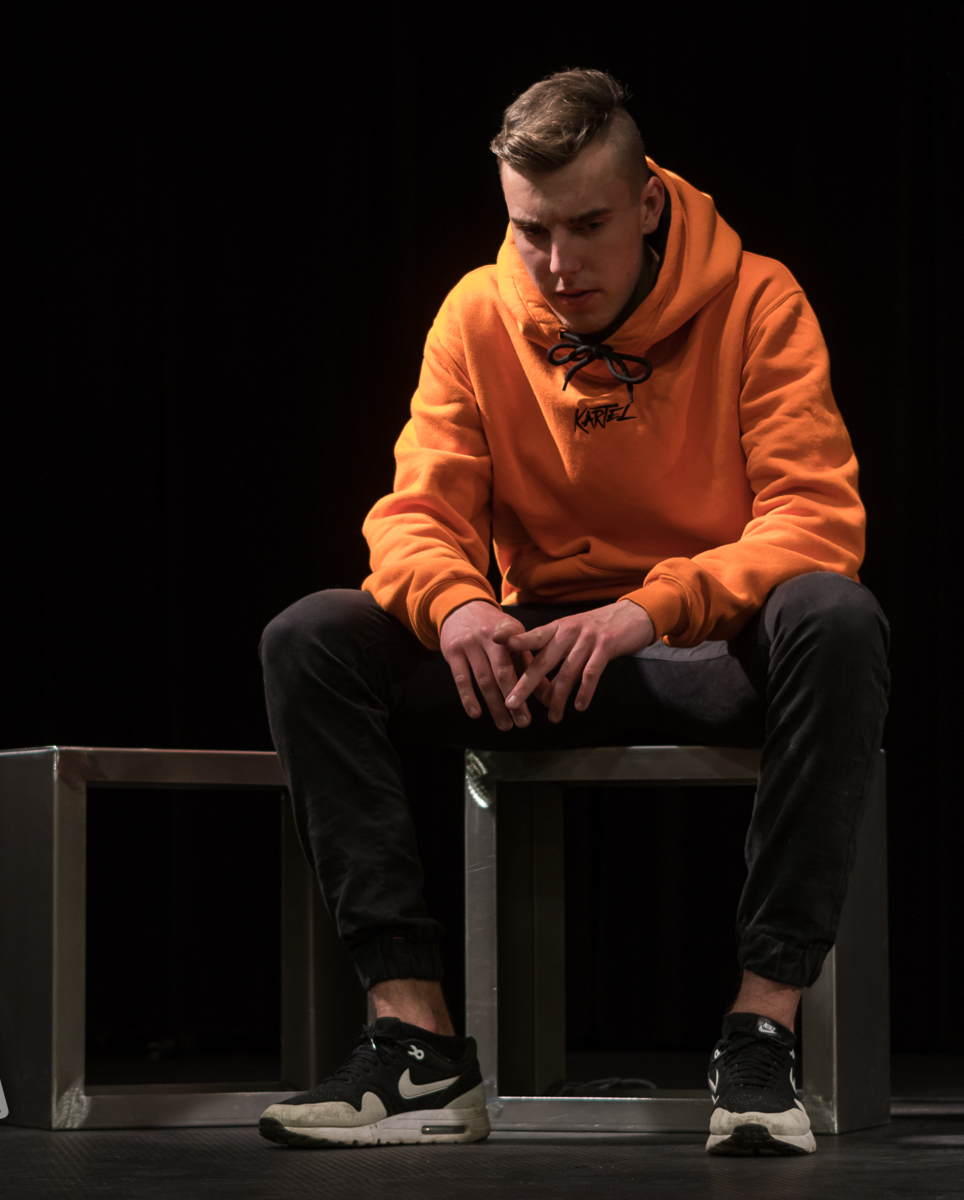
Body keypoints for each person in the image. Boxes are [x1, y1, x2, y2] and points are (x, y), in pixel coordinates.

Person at [258, 68, 888, 1156]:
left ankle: (760, 1033)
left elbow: (813, 519)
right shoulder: (475, 311)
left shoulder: (757, 298)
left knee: (834, 616)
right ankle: (416, 1044)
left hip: (699, 646)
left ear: (644, 205)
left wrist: (649, 608)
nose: (557, 265)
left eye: (587, 226)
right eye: (531, 230)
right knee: (311, 636)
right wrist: (458, 608)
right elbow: (416, 514)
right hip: (534, 656)